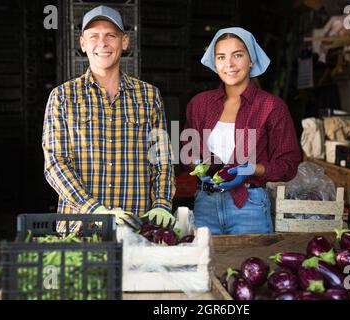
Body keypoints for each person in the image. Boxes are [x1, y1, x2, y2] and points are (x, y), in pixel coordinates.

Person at [42, 5, 176, 231]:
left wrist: (162, 203)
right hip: (80, 227)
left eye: (110, 35)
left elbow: (162, 160)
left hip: (137, 226)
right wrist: (93, 209)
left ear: (124, 42)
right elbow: (55, 163)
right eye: (93, 36)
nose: (102, 43)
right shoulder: (62, 97)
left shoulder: (149, 96)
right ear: (82, 44)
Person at [182, 27, 301, 234]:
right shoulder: (199, 104)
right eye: (221, 57)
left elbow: (288, 164)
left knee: (251, 265)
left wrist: (250, 169)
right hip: (205, 205)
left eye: (237, 55)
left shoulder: (271, 106)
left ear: (251, 60)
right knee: (205, 265)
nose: (229, 64)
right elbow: (187, 151)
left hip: (250, 206)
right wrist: (199, 166)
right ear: (215, 62)